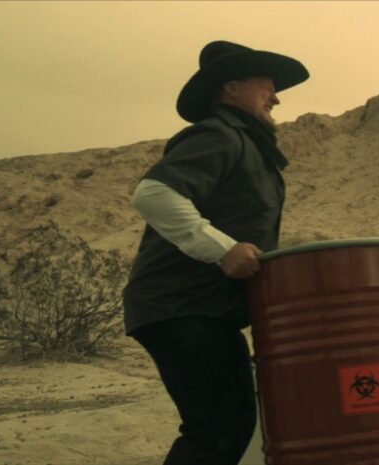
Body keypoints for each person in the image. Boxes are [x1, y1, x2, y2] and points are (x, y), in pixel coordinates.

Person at [122, 40, 308, 465]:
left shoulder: (245, 143)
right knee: (217, 428)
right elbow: (153, 193)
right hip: (180, 307)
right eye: (267, 88)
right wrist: (223, 250)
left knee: (230, 426)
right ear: (232, 88)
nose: (276, 98)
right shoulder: (219, 135)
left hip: (200, 310)